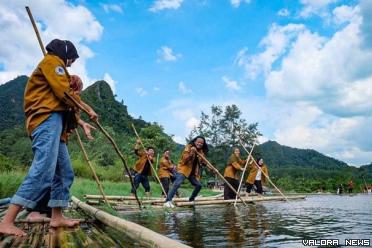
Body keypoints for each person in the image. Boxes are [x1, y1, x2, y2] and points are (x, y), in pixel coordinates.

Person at [0, 39, 97, 236]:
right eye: (71, 60)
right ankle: (7, 221)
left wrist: (83, 120)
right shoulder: (52, 62)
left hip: (57, 127)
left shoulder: (58, 69)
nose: (71, 64)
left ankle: (57, 217)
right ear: (67, 54)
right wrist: (88, 108)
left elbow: (69, 104)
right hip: (46, 119)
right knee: (44, 167)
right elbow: (64, 93)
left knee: (64, 172)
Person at [25, 75, 96, 222]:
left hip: (60, 138)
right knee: (50, 172)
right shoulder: (61, 94)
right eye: (78, 88)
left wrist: (83, 124)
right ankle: (36, 210)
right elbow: (76, 102)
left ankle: (53, 213)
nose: (78, 93)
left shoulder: (70, 101)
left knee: (63, 174)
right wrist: (89, 111)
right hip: (51, 134)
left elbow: (76, 108)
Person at [164, 136, 208, 208]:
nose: (199, 144)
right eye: (198, 142)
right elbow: (184, 160)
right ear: (195, 142)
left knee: (198, 185)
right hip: (184, 169)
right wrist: (191, 153)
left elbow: (203, 162)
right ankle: (167, 201)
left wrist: (210, 167)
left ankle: (191, 200)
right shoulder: (189, 147)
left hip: (192, 172)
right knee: (177, 183)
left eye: (201, 143)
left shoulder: (201, 152)